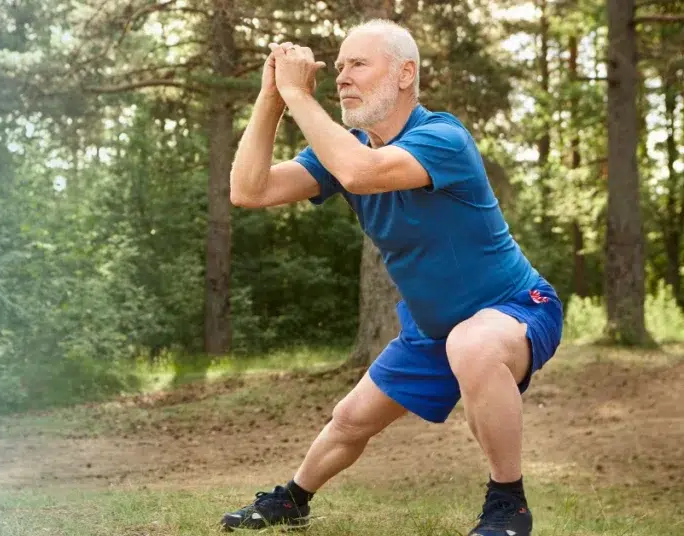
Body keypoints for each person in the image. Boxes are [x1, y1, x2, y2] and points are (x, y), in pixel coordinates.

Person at [221, 19, 563, 536]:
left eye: (358, 63)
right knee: (350, 419)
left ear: (406, 74)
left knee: (473, 344)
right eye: (337, 66)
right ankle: (292, 501)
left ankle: (508, 505)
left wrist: (298, 93)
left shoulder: (442, 137)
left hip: (517, 306)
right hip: (433, 330)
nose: (341, 77)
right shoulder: (343, 152)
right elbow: (250, 190)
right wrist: (272, 98)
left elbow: (363, 172)